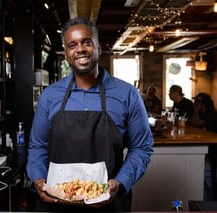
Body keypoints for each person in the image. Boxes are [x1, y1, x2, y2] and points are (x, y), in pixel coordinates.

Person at [26, 17, 153, 211]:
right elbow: (37, 147)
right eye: (72, 45)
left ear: (99, 48)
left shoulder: (127, 94)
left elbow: (142, 147)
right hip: (56, 202)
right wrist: (38, 179)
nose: (80, 49)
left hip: (108, 203)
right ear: (67, 54)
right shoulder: (50, 96)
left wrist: (120, 182)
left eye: (87, 42)